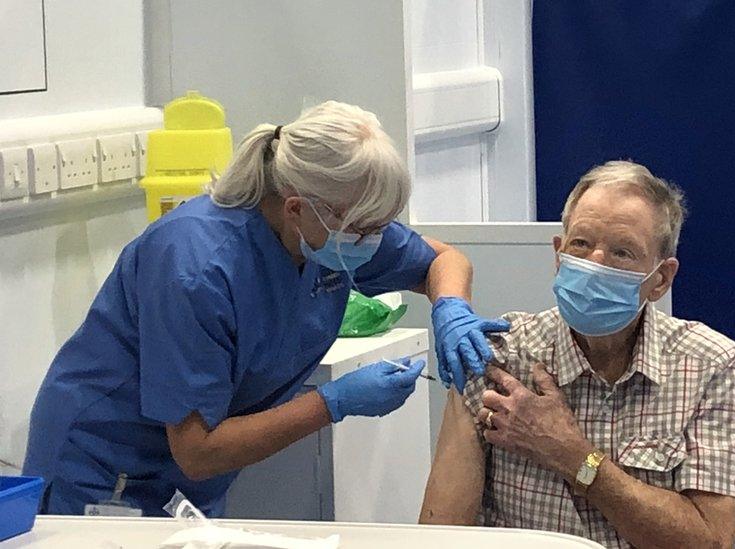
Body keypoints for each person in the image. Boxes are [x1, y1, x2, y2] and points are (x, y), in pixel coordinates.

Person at [23, 100, 509, 516]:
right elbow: (197, 450)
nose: (374, 241)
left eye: (381, 225)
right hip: (107, 469)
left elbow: (443, 259)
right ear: (297, 207)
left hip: (190, 483)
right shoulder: (197, 267)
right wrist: (332, 403)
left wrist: (451, 308)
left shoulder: (332, 232)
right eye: (364, 228)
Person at [419, 161, 735, 548]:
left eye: (622, 252)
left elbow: (711, 543)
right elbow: (440, 535)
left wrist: (573, 456)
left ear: (661, 278)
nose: (595, 262)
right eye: (581, 244)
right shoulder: (497, 354)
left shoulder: (708, 364)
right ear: (558, 255)